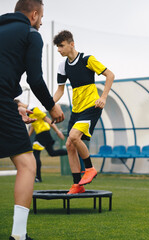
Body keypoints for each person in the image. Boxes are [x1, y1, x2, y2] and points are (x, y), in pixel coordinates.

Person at [0, 0, 65, 239]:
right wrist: (52, 107)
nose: (41, 22)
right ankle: (18, 235)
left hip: (5, 101)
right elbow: (35, 79)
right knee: (27, 165)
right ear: (34, 14)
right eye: (41, 17)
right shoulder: (30, 34)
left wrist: (15, 104)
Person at [53, 30, 115, 194]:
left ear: (71, 44)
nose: (59, 50)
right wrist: (50, 105)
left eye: (61, 46)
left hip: (92, 107)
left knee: (73, 137)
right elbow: (59, 91)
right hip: (77, 110)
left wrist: (103, 97)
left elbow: (110, 75)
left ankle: (89, 168)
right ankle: (77, 185)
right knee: (69, 145)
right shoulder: (62, 65)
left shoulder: (88, 60)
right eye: (57, 47)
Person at [15, 100, 67, 182]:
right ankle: (70, 151)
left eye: (18, 108)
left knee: (35, 154)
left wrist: (57, 131)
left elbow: (47, 119)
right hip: (42, 134)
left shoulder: (35, 110)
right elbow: (33, 125)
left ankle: (38, 177)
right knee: (52, 153)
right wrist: (28, 136)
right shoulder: (29, 113)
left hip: (43, 133)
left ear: (20, 104)